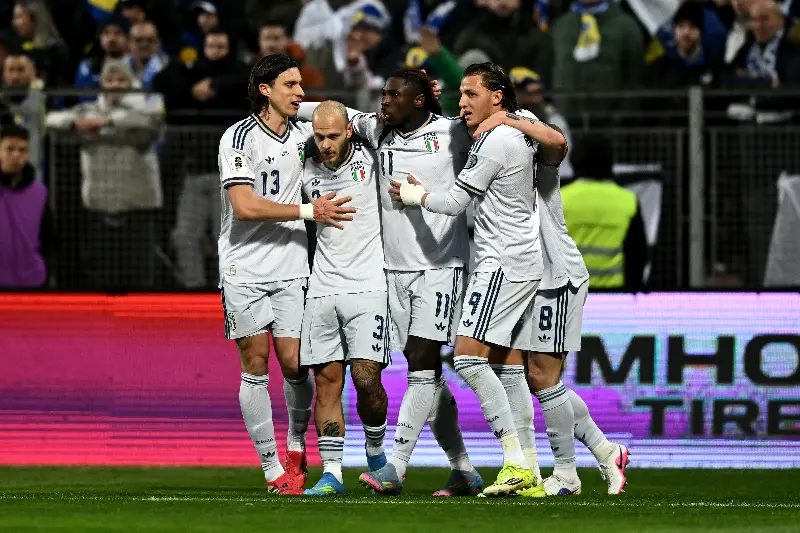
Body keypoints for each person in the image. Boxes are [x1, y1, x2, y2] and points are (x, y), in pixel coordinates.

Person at [299, 69, 485, 498]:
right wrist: (281, 105)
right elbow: (327, 112)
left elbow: (499, 124)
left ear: (418, 100)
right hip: (393, 272)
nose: (384, 101)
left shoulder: (453, 131)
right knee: (428, 376)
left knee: (422, 363)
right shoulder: (376, 130)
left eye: (393, 94)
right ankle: (462, 467)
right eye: (383, 94)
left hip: (440, 266)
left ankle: (394, 467)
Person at [388, 62, 546, 497]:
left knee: (468, 359)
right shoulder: (521, 126)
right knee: (508, 366)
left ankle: (515, 462)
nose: (462, 103)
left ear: (497, 96)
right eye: (460, 94)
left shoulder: (496, 141)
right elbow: (553, 139)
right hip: (521, 259)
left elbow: (455, 202)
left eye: (471, 94)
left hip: (501, 262)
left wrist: (414, 194)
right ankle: (533, 469)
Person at [216, 53, 354, 495]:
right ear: (265, 89)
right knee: (255, 363)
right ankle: (272, 468)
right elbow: (244, 206)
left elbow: (342, 118)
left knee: (295, 365)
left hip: (292, 267)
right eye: (291, 85)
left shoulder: (302, 134)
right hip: (244, 268)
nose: (300, 92)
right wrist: (309, 211)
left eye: (300, 85)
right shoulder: (238, 138)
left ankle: (296, 442)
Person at [473, 113, 630, 496]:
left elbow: (556, 141)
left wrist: (505, 118)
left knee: (543, 378)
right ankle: (604, 452)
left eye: (471, 94)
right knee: (528, 376)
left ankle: (567, 474)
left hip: (555, 276)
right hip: (521, 278)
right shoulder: (489, 159)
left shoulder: (534, 152)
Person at [299, 101, 390, 496]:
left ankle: (376, 452)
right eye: (319, 136)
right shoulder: (305, 165)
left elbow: (385, 120)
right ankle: (332, 473)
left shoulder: (373, 156)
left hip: (369, 285)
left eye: (333, 136)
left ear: (349, 130)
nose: (325, 144)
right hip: (322, 287)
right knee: (326, 382)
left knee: (366, 378)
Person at [0, 124, 56, 288]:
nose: (16, 155)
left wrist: (46, 271)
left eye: (22, 150)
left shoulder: (39, 193)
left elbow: (49, 238)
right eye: (10, 149)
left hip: (31, 283)